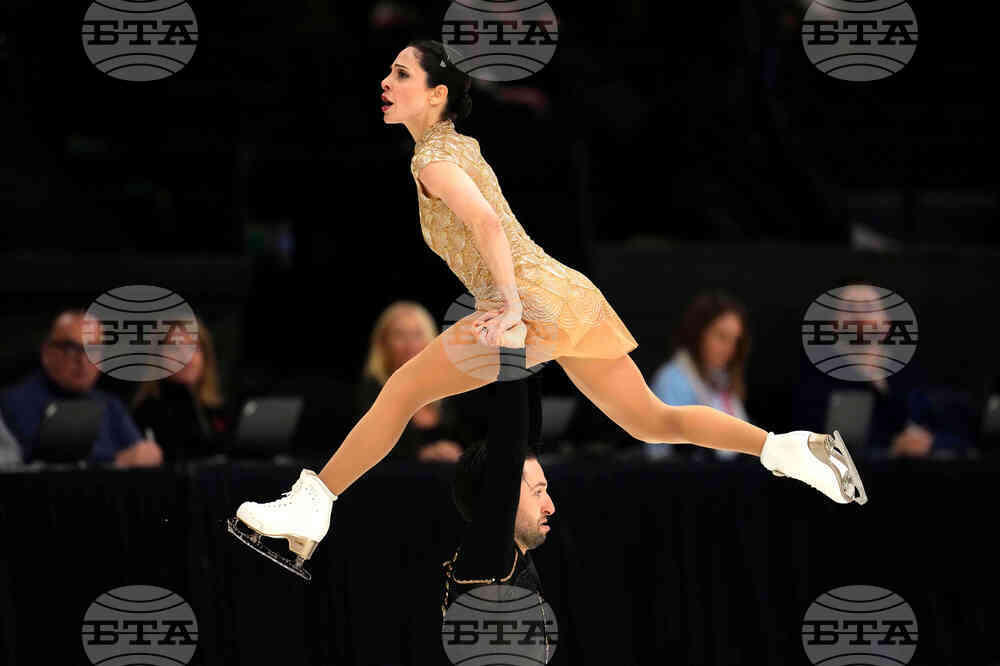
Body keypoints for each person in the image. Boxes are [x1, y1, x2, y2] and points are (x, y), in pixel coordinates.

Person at [228, 40, 866, 581]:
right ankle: (793, 450)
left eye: (402, 74)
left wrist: (506, 303)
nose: (386, 82)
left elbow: (485, 224)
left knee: (400, 391)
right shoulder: (460, 145)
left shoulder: (432, 159)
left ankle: (312, 506)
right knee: (651, 420)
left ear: (437, 94)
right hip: (566, 292)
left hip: (528, 299)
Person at [442, 372, 554, 661]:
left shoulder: (509, 555)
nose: (550, 506)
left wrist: (533, 357)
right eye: (538, 492)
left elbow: (526, 438)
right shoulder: (488, 556)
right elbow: (510, 445)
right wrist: (514, 355)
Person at [0, 310, 163, 468]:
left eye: (94, 349)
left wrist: (146, 454)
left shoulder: (110, 404)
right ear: (47, 353)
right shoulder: (13, 404)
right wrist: (115, 463)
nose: (84, 361)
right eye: (72, 349)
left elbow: (141, 453)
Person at [649, 290, 752, 461]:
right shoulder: (671, 380)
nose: (729, 348)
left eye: (735, 341)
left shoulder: (722, 381)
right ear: (699, 334)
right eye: (722, 337)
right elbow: (666, 452)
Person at [356, 301, 464, 463]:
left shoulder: (449, 388)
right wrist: (420, 455)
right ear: (383, 343)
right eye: (400, 335)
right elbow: (368, 452)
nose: (410, 345)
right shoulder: (372, 392)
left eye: (417, 335)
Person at [131, 318, 230, 463]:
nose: (186, 357)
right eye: (175, 348)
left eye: (194, 348)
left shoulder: (218, 411)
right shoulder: (146, 413)